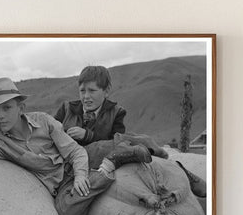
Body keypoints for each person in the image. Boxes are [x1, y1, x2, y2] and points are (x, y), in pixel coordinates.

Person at [0, 77, 152, 215]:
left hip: (75, 161)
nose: (1, 116)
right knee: (67, 213)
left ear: (21, 107)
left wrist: (80, 175)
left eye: (7, 108)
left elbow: (76, 152)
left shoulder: (43, 121)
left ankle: (145, 145)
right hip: (59, 185)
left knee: (105, 145)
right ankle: (113, 162)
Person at [55, 65, 206, 198]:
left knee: (123, 140)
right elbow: (51, 134)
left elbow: (115, 141)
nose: (86, 96)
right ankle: (168, 159)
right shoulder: (67, 109)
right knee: (135, 140)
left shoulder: (116, 112)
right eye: (82, 91)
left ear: (106, 91)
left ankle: (176, 167)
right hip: (74, 158)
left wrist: (88, 135)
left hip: (103, 155)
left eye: (92, 91)